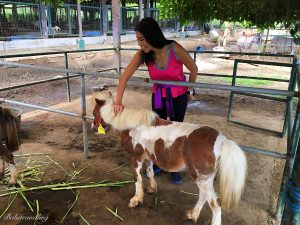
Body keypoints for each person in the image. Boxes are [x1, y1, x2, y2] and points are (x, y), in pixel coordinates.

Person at [113, 17, 198, 185]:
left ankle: (174, 167)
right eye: (138, 40)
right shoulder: (143, 55)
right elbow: (124, 77)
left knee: (175, 132)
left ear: (151, 36)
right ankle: (160, 163)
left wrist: (189, 90)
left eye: (141, 39)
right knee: (158, 131)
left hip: (178, 98)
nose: (139, 44)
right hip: (159, 97)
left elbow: (193, 69)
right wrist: (118, 102)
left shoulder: (174, 48)